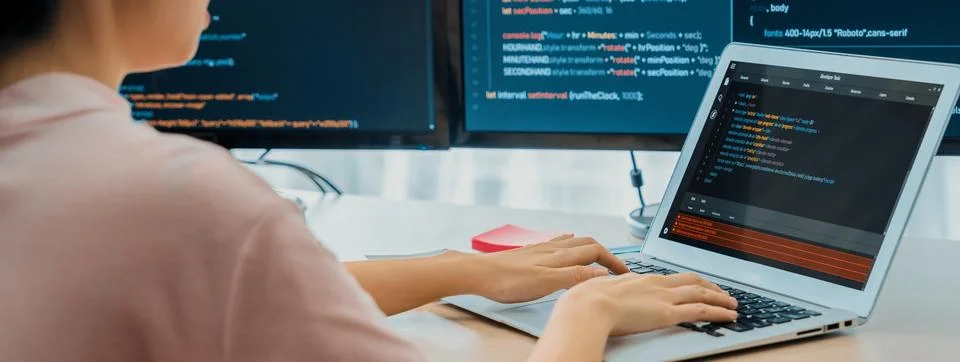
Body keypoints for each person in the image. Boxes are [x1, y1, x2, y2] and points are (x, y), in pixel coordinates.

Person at [0, 1, 739, 361]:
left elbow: (221, 285)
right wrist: (589, 312)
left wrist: (462, 270)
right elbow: (215, 257)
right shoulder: (184, 203)